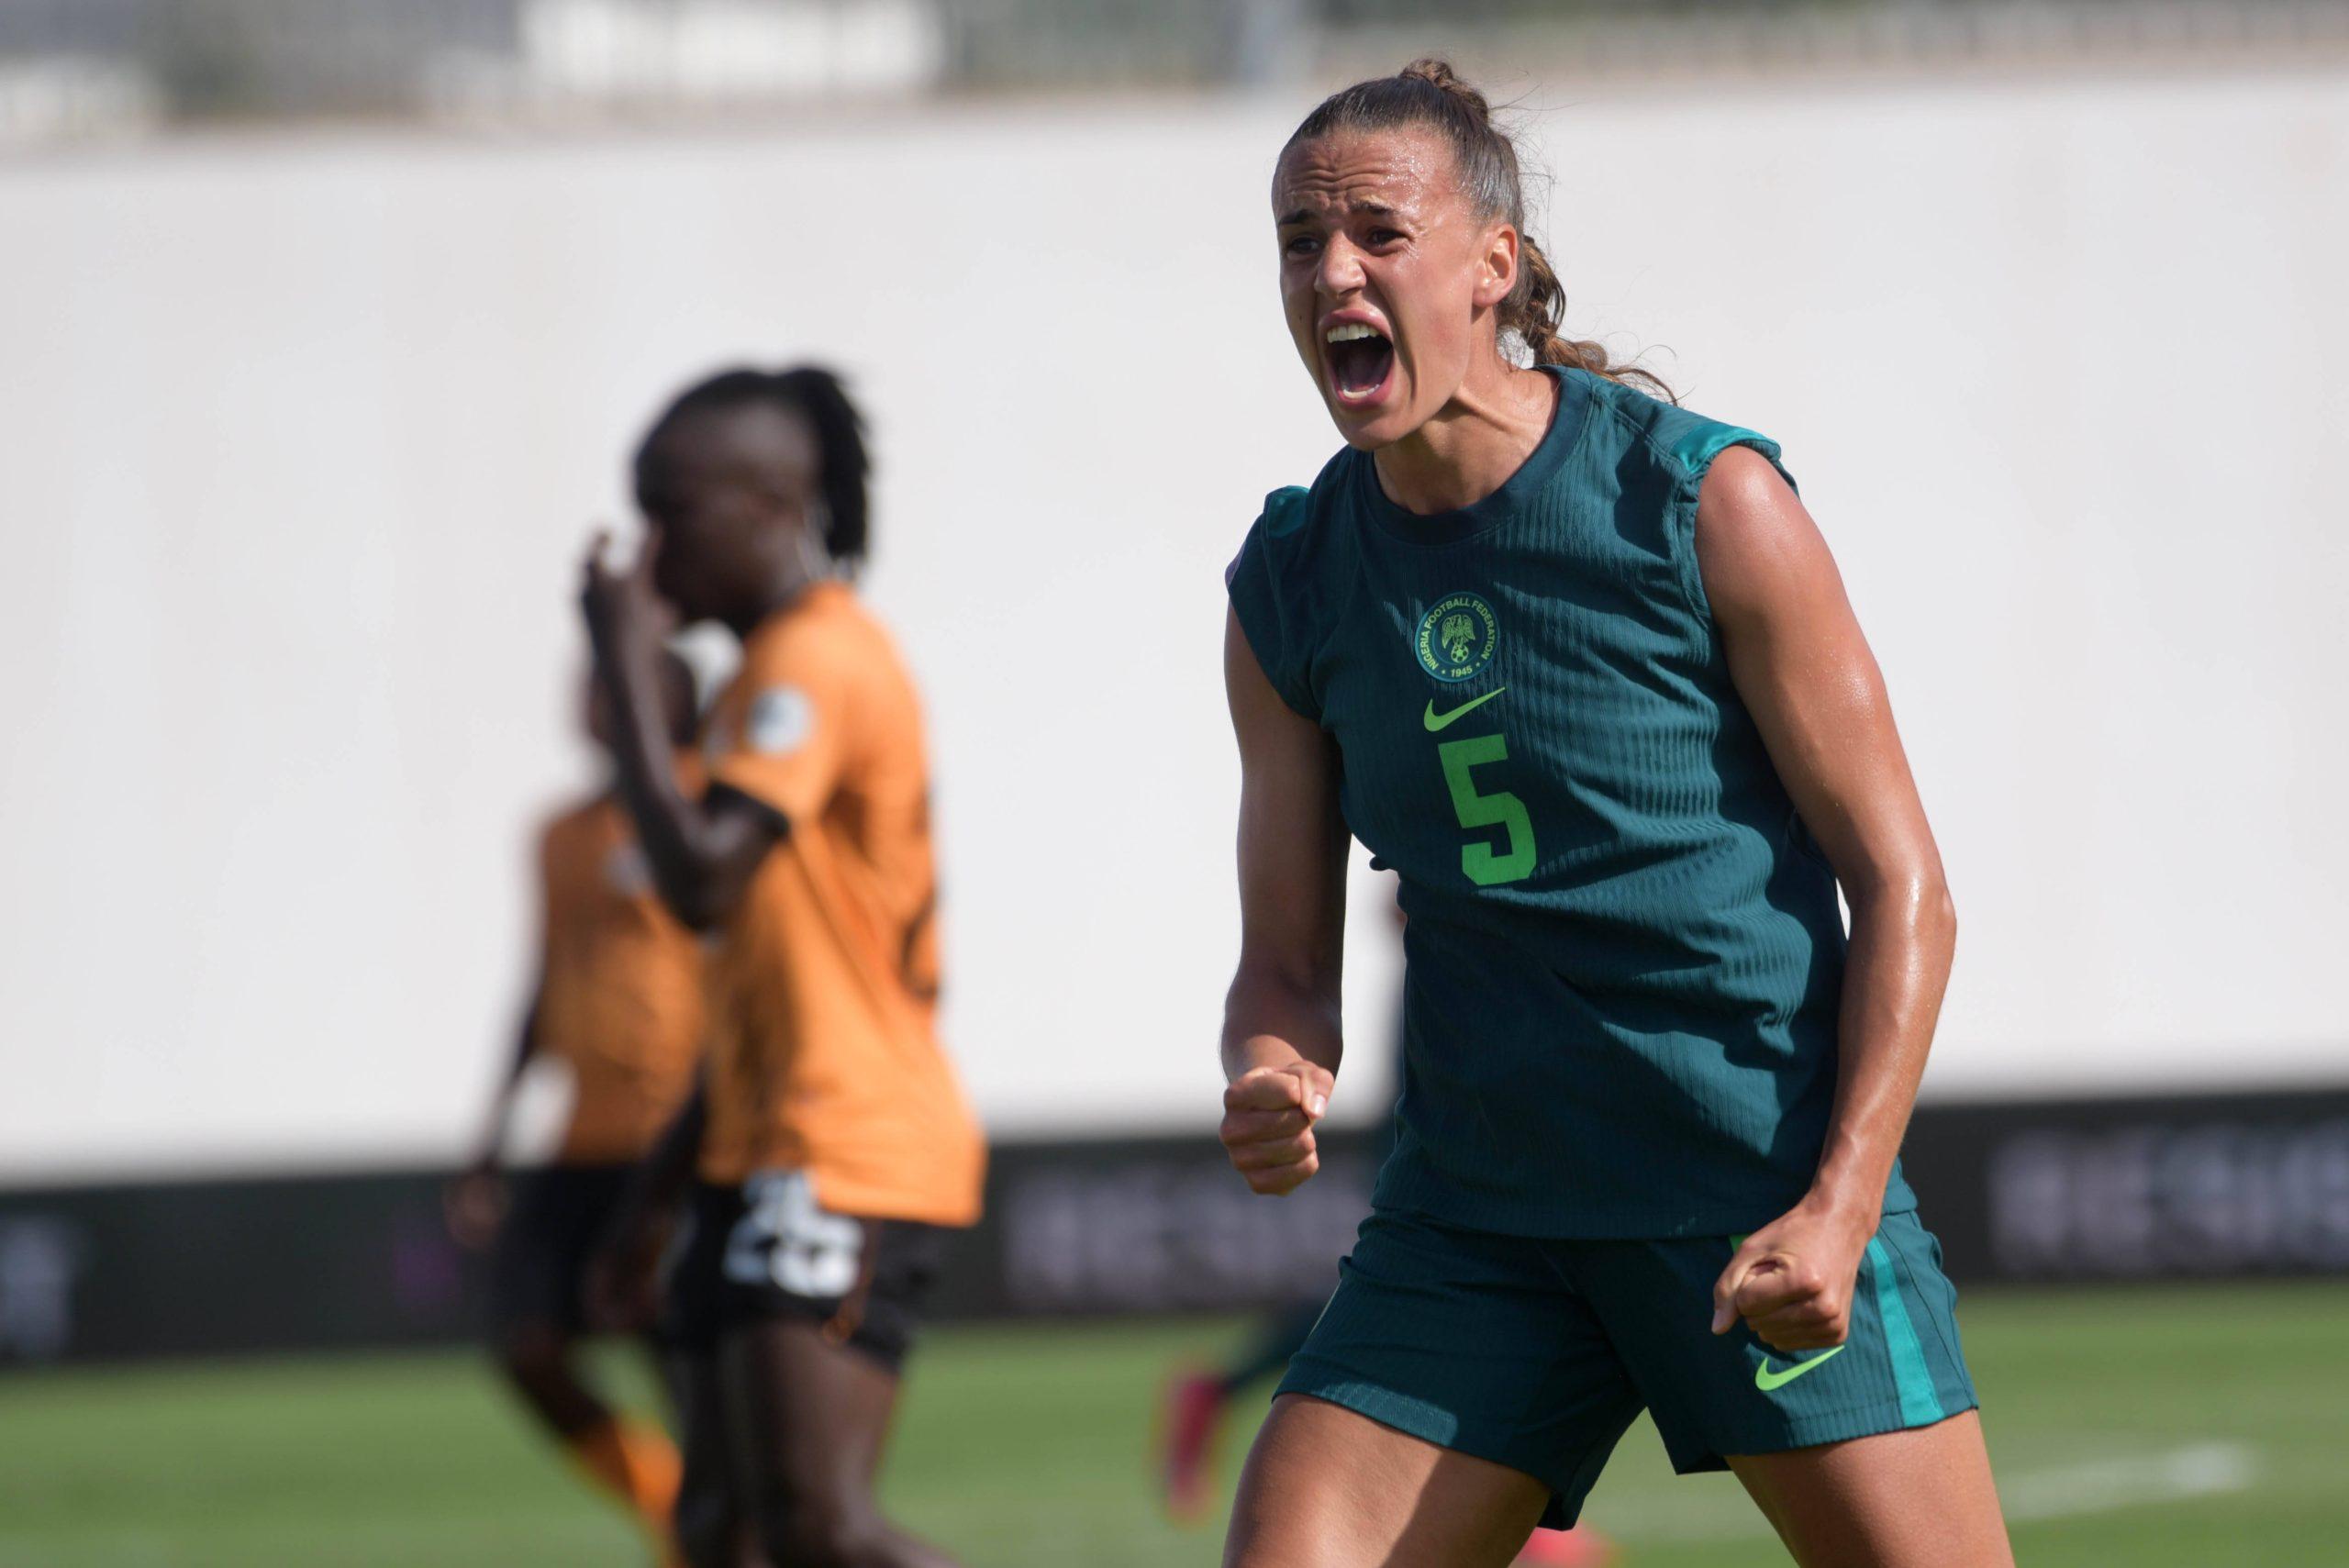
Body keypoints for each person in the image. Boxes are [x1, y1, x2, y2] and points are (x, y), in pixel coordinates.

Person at [1214, 60, 2012, 1568]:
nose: (1332, 274)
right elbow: (1286, 968)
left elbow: (1907, 885)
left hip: (1753, 1197)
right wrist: (1269, 1062)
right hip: (1478, 1224)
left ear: (1492, 265)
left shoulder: (1707, 501)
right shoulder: (1292, 584)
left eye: (1379, 233)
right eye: (1300, 243)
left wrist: (1840, 1207)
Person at [579, 365, 985, 1568]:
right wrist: (658, 1194)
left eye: (672, 511)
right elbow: (767, 989)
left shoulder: (814, 661)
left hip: (840, 1145)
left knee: (819, 1527)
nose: (650, 551)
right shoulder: (766, 673)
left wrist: (622, 661)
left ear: (769, 505)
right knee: (720, 1529)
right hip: (756, 1146)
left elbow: (702, 878)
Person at [447, 653, 706, 1567]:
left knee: (684, 1354)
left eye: (616, 681)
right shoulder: (559, 832)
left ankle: (716, 1534)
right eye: (588, 684)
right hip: (583, 1136)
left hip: (681, 1135)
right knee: (526, 1340)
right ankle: (670, 1501)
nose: (592, 701)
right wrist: (492, 1136)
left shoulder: (709, 807)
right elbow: (543, 979)